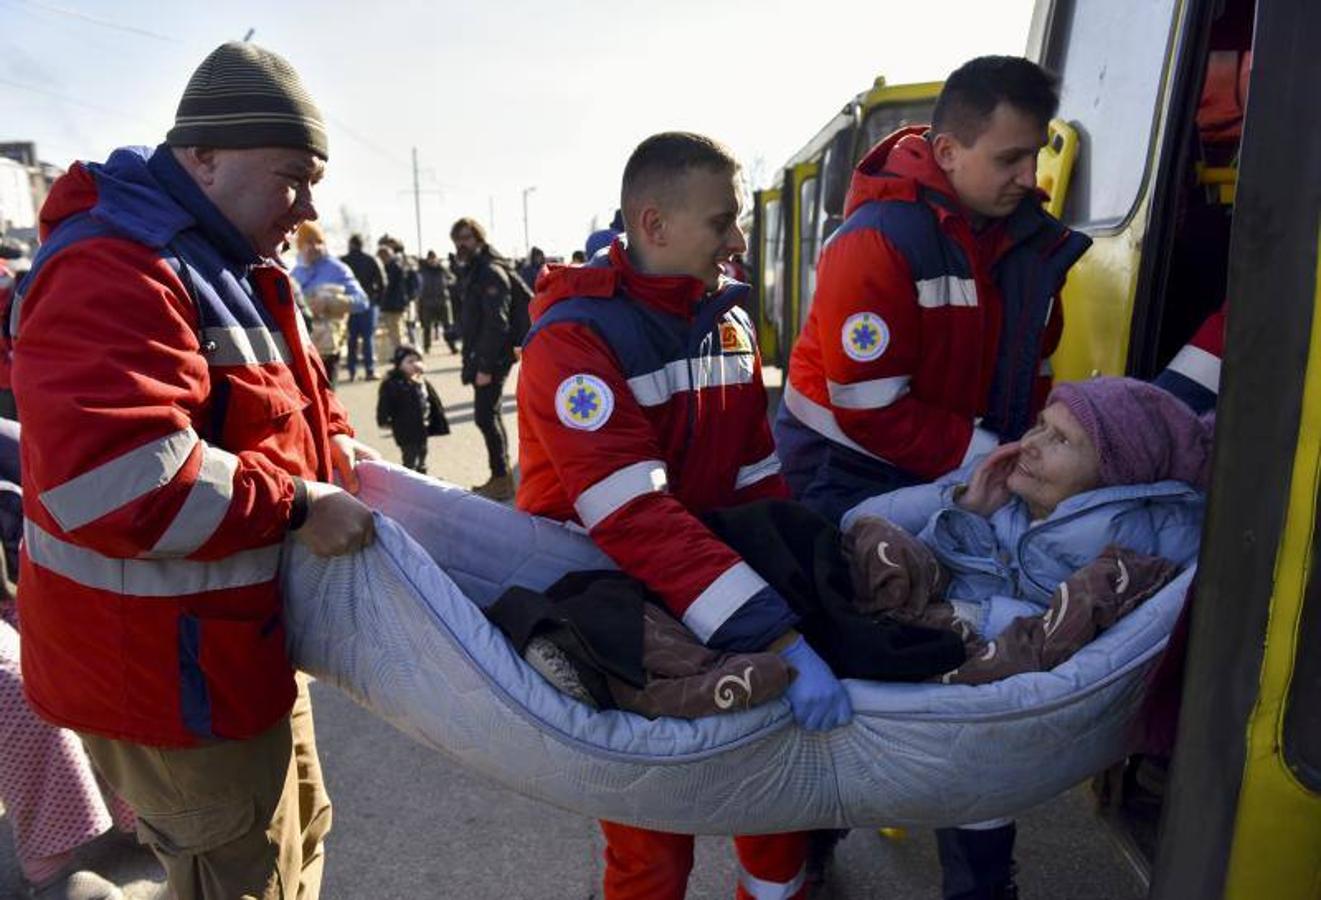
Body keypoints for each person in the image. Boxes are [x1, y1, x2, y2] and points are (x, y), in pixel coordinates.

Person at [9, 41, 381, 900]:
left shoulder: (231, 264)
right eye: (294, 175)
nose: (309, 203)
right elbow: (124, 479)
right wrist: (296, 502)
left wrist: (337, 450)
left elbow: (283, 403)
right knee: (239, 875)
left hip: (230, 650)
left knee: (293, 839)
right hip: (163, 677)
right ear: (204, 157)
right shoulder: (119, 266)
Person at [772, 56, 1091, 899]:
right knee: (859, 664)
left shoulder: (1020, 239)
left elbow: (1034, 368)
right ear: (946, 152)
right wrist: (995, 456)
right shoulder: (874, 243)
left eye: (1037, 156)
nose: (1029, 178)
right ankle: (812, 832)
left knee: (971, 671)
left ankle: (981, 882)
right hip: (844, 479)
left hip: (957, 465)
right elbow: (870, 407)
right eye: (1009, 160)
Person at [517, 131, 851, 900]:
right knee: (651, 840)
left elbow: (757, 482)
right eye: (721, 221)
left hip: (710, 586)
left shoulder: (725, 322)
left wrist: (800, 589)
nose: (737, 241)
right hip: (612, 609)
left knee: (774, 812)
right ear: (654, 224)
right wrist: (773, 634)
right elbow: (630, 518)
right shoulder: (574, 340)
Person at [451, 217, 517, 501]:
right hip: (481, 353)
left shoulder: (490, 271)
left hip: (491, 358)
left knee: (485, 416)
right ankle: (501, 477)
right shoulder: (474, 269)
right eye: (457, 239)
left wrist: (486, 367)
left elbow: (497, 324)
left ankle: (501, 478)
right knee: (488, 415)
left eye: (466, 237)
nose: (460, 244)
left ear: (478, 238)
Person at [292, 221, 368, 386]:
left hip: (329, 348)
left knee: (327, 399)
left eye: (319, 242)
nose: (315, 247)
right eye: (309, 242)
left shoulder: (338, 269)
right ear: (300, 246)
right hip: (302, 348)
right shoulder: (294, 272)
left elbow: (362, 301)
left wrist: (330, 302)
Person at [376, 344, 449, 473]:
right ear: (399, 364)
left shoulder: (421, 380)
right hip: (404, 427)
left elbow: (433, 400)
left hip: (422, 425)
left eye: (418, 360)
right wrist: (383, 420)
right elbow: (384, 403)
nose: (415, 364)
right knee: (410, 453)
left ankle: (422, 471)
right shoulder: (393, 383)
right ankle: (410, 475)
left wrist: (438, 417)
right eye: (410, 361)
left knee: (422, 450)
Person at [340, 233, 386, 381]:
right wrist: (377, 300)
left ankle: (352, 372)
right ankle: (369, 370)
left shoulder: (343, 261)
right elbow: (383, 282)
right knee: (368, 338)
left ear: (351, 244)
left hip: (349, 304)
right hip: (368, 304)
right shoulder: (372, 260)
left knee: (351, 338)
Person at [417, 249, 457, 354]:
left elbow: (453, 279)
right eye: (430, 259)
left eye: (433, 258)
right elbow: (418, 283)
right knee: (427, 327)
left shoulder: (443, 269)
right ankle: (426, 347)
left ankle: (452, 346)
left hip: (443, 300)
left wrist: (446, 284)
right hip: (427, 302)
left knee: (447, 326)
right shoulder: (423, 270)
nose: (432, 261)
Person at [376, 237, 410, 359]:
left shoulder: (392, 268)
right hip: (397, 304)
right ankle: (400, 353)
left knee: (396, 332)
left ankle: (401, 354)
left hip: (393, 305)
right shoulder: (397, 266)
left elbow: (388, 287)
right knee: (397, 331)